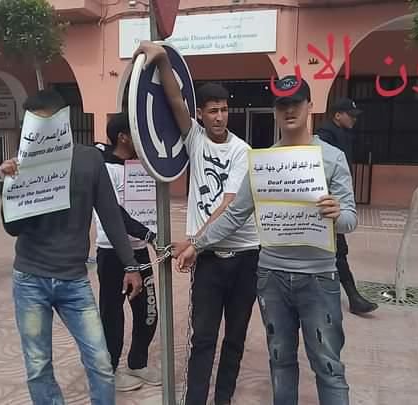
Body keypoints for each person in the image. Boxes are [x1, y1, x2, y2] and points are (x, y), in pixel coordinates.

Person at [174, 76, 357, 405]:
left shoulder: (331, 158)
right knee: (281, 364)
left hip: (318, 277)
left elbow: (349, 221)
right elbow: (234, 214)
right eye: (282, 104)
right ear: (275, 111)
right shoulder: (264, 161)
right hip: (271, 276)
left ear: (310, 107)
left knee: (328, 366)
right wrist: (196, 244)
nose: (289, 110)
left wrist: (336, 212)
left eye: (296, 103)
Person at [133, 41, 260, 405]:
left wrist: (193, 243)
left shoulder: (242, 151)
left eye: (225, 110)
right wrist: (160, 60)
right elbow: (174, 103)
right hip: (208, 261)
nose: (220, 117)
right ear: (201, 115)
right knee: (202, 338)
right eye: (213, 111)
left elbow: (230, 206)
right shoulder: (195, 139)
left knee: (234, 339)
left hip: (245, 257)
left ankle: (223, 400)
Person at [0, 89, 144, 405]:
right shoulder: (24, 163)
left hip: (74, 282)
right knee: (38, 367)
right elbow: (12, 228)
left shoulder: (90, 160)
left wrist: (131, 265)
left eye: (42, 123)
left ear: (62, 120)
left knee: (101, 363)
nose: (34, 132)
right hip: (30, 280)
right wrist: (10, 186)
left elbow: (111, 215)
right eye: (30, 125)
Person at [93, 112, 161, 391]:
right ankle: (110, 369)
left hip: (140, 252)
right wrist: (148, 234)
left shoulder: (140, 166)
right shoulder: (104, 168)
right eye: (136, 132)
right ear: (123, 135)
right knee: (113, 314)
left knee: (149, 311)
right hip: (112, 253)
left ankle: (138, 362)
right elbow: (115, 214)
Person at [315, 98, 378, 315]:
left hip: (336, 204)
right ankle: (353, 297)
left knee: (338, 251)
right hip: (325, 205)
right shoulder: (325, 137)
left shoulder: (340, 135)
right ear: (337, 115)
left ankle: (353, 297)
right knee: (337, 251)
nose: (354, 119)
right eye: (350, 115)